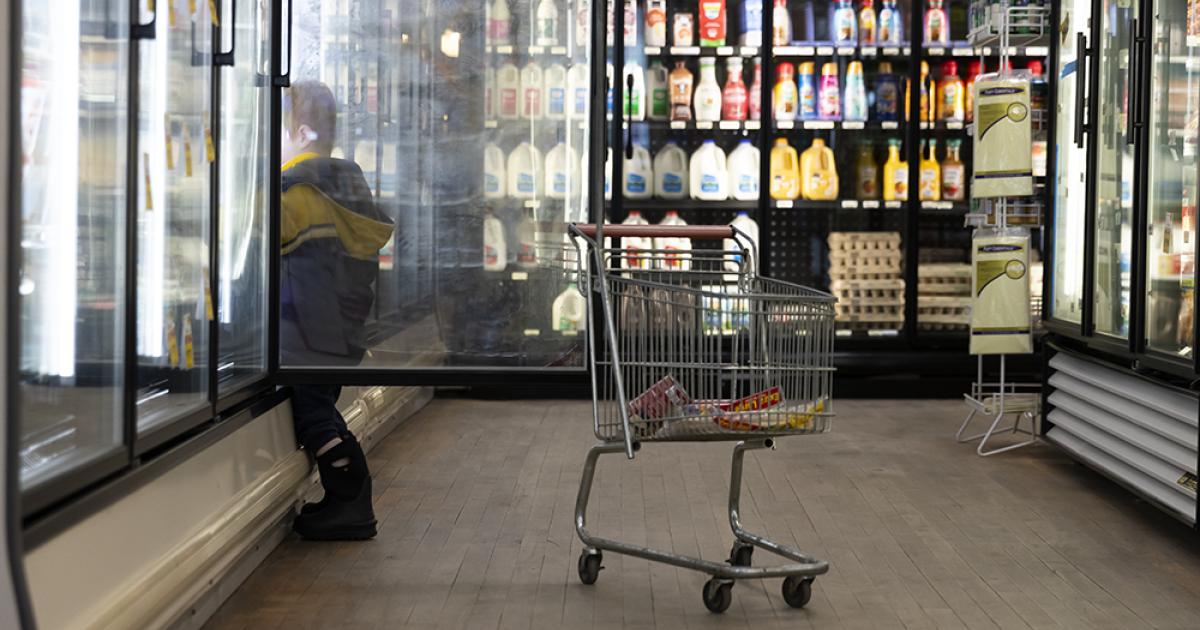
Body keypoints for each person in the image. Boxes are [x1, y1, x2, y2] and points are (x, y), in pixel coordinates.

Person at [279, 81, 393, 540]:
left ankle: (350, 501)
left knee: (314, 418)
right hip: (340, 332)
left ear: (301, 134)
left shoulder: (294, 191)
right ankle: (349, 500)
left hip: (304, 334)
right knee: (323, 409)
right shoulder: (344, 186)